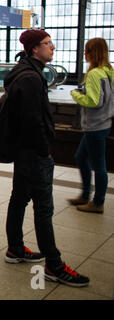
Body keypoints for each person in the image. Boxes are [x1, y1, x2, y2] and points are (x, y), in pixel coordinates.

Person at [3, 29, 89, 287]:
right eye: (47, 43)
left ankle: (15, 249)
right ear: (34, 49)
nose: (52, 47)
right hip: (33, 153)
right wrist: (44, 150)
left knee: (19, 199)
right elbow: (32, 121)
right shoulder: (30, 78)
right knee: (44, 209)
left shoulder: (23, 72)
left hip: (23, 151)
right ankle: (53, 264)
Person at [68, 38, 113, 214]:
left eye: (86, 51)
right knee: (80, 157)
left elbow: (93, 101)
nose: (84, 54)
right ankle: (86, 195)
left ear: (91, 53)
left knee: (99, 164)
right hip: (104, 123)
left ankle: (97, 202)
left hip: (95, 125)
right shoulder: (108, 71)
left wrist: (75, 94)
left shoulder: (95, 73)